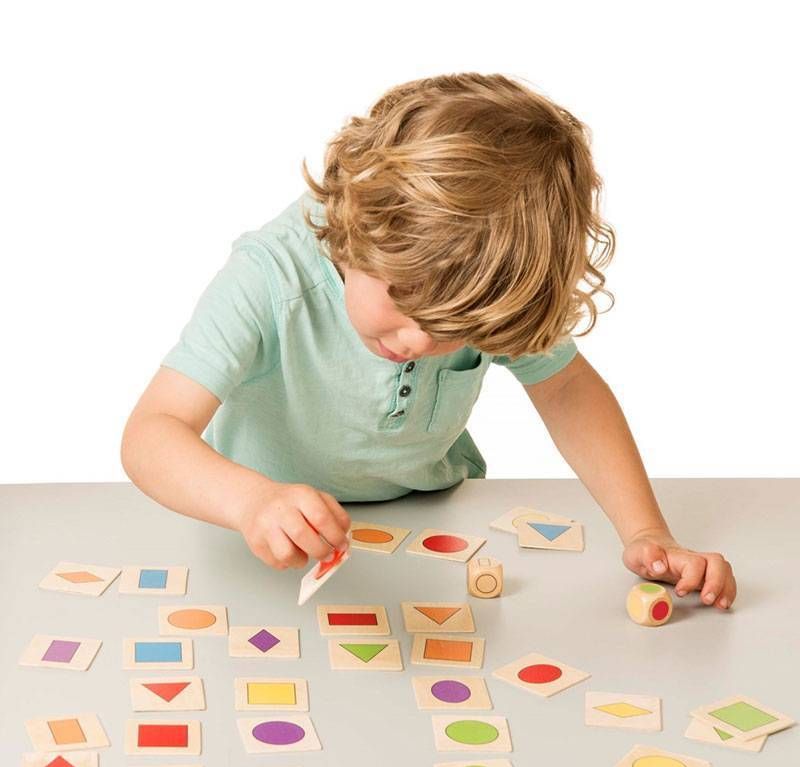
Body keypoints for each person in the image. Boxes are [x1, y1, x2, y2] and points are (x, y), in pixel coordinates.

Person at [121, 72, 736, 610]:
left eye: (455, 329)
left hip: (430, 530)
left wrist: (646, 532)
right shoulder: (268, 277)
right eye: (405, 300)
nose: (417, 339)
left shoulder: (483, 282)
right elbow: (152, 433)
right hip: (256, 542)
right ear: (356, 230)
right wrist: (250, 502)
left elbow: (566, 389)